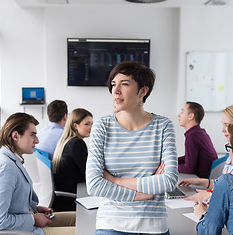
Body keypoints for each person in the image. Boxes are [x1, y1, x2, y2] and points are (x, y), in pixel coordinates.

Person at [86, 61, 179, 235]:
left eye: (125, 84)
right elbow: (94, 184)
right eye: (114, 84)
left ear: (143, 91)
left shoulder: (163, 126)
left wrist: (115, 180)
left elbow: (169, 181)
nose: (116, 90)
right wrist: (144, 195)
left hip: (154, 225)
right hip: (111, 224)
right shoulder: (102, 126)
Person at [0, 113, 75, 235]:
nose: (37, 140)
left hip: (28, 222)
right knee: (87, 230)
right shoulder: (4, 168)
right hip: (25, 231)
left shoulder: (10, 159)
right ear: (15, 136)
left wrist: (34, 209)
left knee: (79, 218)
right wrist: (33, 218)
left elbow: (13, 201)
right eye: (32, 135)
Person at [51, 108, 93, 212]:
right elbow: (89, 174)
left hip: (61, 200)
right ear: (75, 125)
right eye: (87, 124)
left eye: (92, 123)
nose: (91, 127)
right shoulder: (77, 144)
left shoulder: (67, 141)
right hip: (70, 200)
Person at [177, 102, 217, 178]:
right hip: (207, 178)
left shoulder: (192, 136)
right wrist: (171, 162)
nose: (179, 115)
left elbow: (189, 169)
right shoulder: (199, 132)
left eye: (182, 112)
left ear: (191, 116)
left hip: (200, 181)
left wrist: (169, 168)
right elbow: (189, 157)